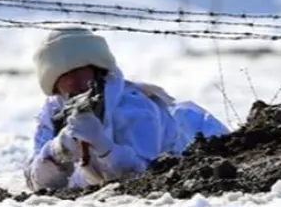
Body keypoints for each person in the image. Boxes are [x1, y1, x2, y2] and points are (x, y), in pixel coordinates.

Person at [24, 26, 230, 191]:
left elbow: (143, 177)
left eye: (79, 69)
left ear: (97, 69)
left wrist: (104, 147)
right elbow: (35, 182)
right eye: (63, 75)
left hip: (196, 137)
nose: (73, 81)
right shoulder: (53, 112)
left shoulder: (136, 106)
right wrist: (59, 151)